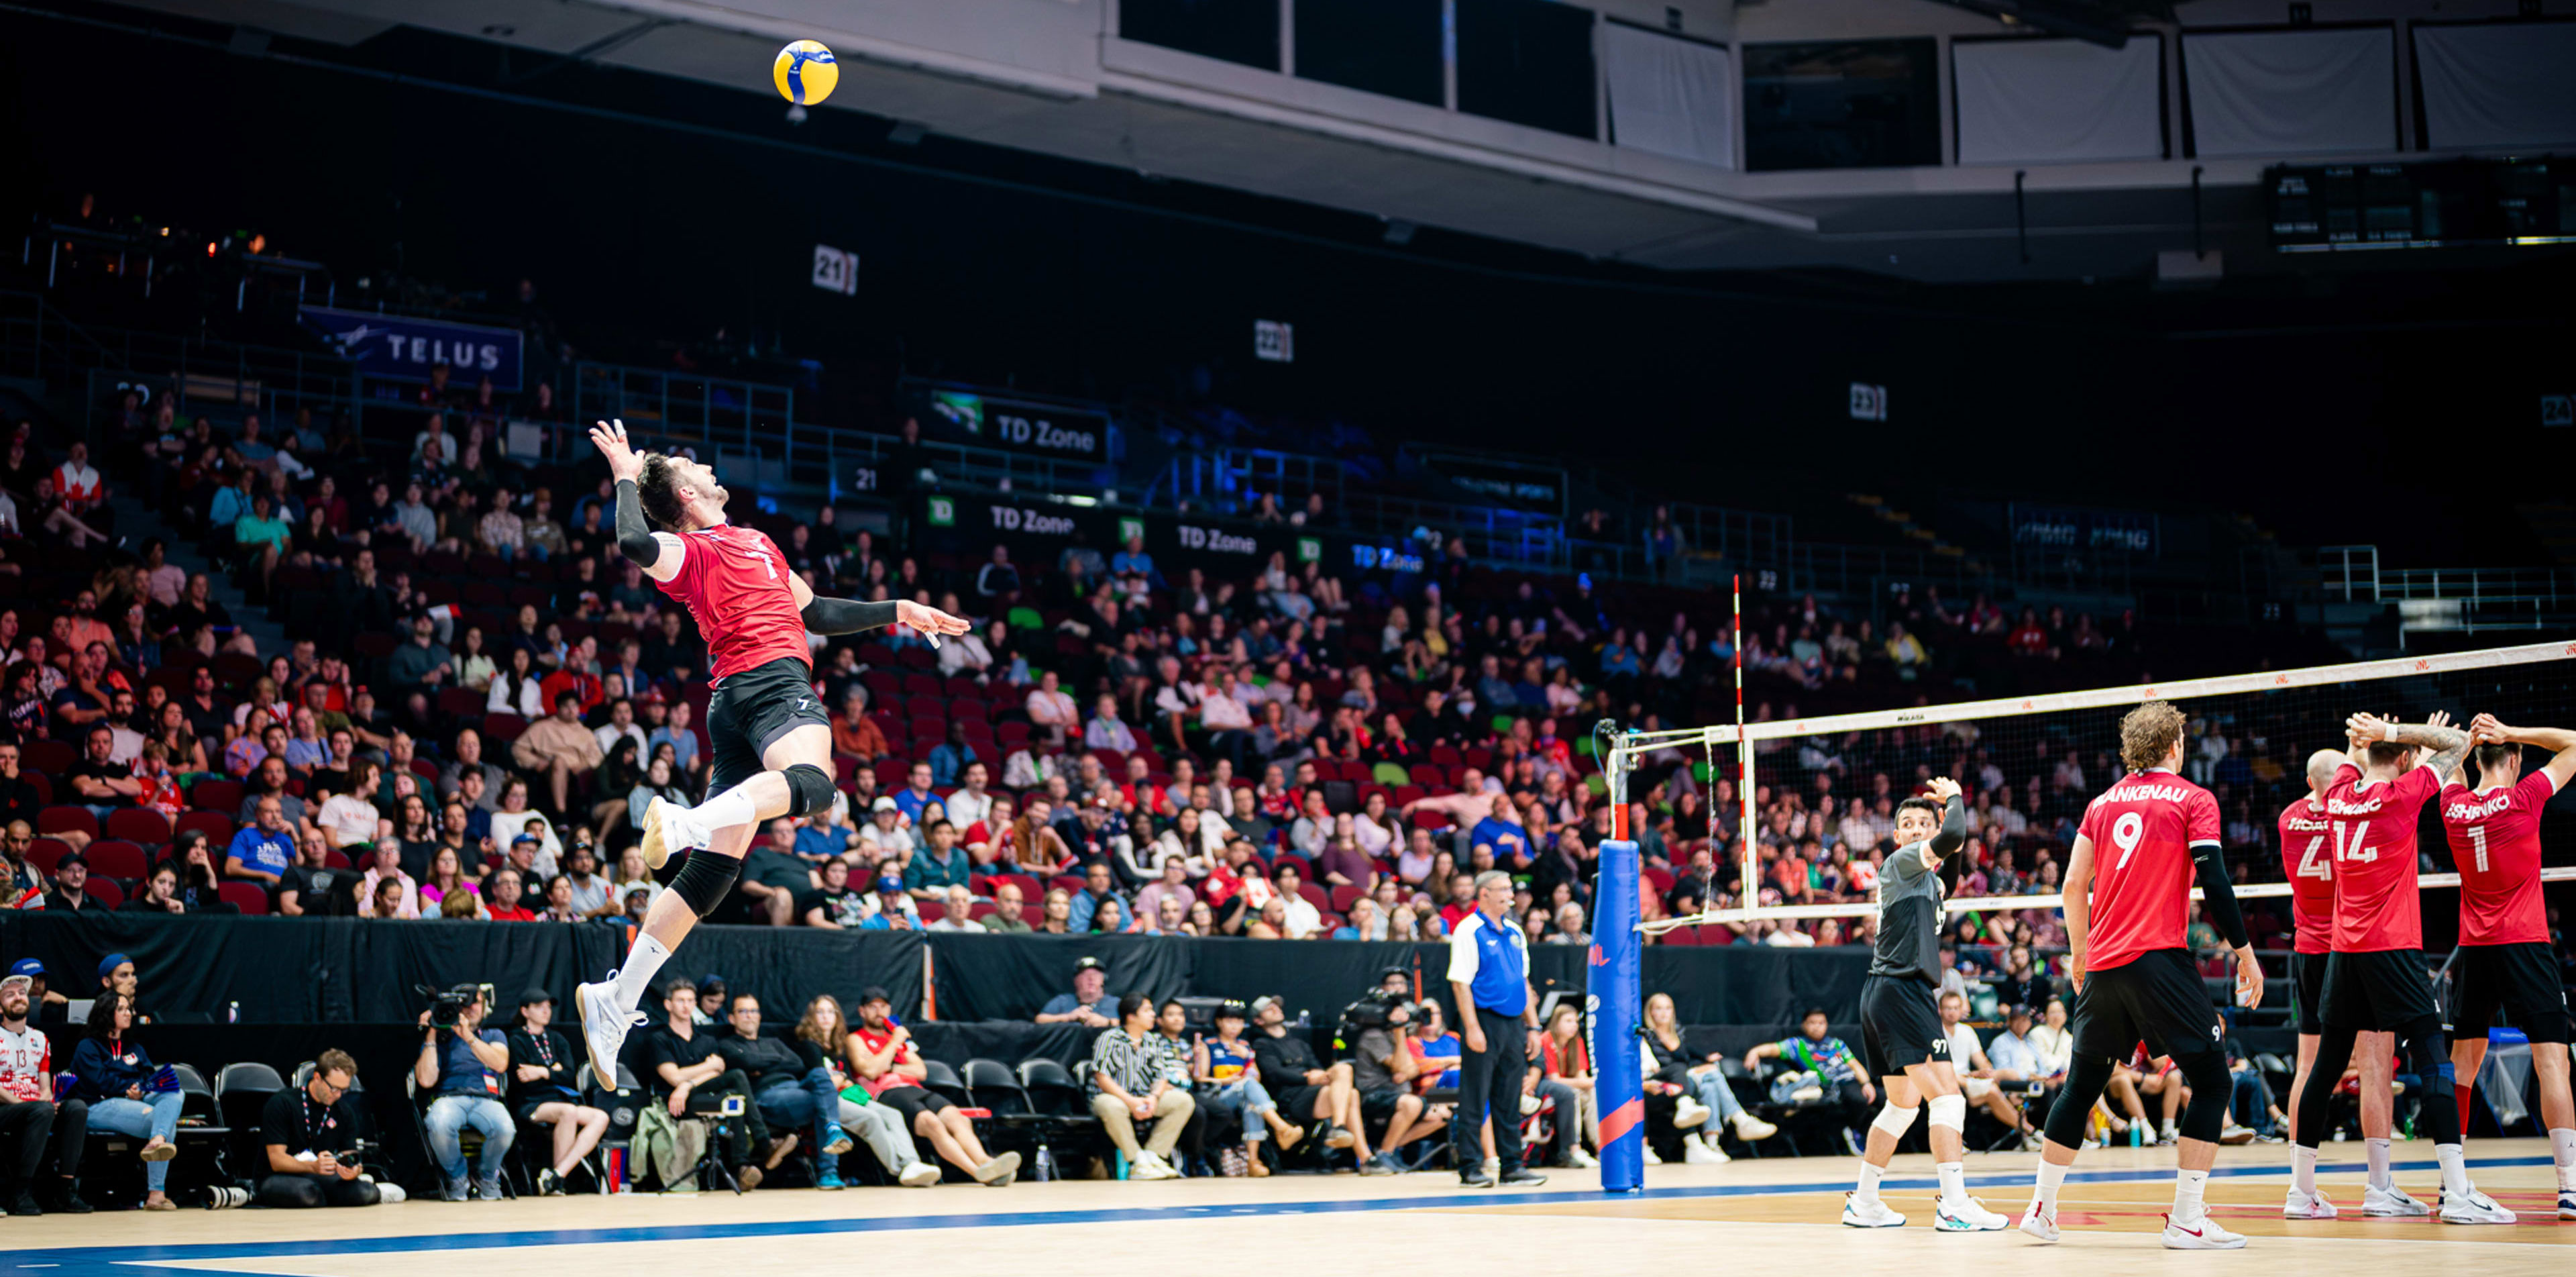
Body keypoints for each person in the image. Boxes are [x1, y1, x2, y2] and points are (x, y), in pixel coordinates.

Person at [576, 419, 970, 1089]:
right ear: (686, 494)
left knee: (709, 878)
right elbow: (635, 540)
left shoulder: (756, 541)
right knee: (816, 786)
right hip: (771, 683)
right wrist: (622, 471)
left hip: (734, 704)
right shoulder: (692, 550)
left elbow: (816, 613)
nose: (704, 466)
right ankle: (685, 822)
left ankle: (615, 998)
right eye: (692, 466)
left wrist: (900, 608)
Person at [2017, 701, 2265, 1249]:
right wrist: (2244, 951)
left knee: (2081, 1086)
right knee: (2214, 1079)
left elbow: (2071, 885)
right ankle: (2187, 1218)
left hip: (2104, 963)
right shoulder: (2193, 798)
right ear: (2176, 745)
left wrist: (2080, 954)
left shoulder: (2101, 803)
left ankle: (2041, 1209)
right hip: (2158, 959)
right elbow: (2215, 881)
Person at [2282, 711, 2513, 1224]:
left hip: (2344, 953)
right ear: (2406, 759)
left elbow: (2349, 759)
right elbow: (2457, 741)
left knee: (2323, 1068)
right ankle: (2457, 1192)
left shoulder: (2339, 792)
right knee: (2434, 1059)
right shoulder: (2404, 795)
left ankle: (2302, 1192)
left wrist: (2370, 740)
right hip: (2393, 949)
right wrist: (2396, 734)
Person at [1841, 777, 2006, 1230]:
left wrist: (1949, 820)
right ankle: (1954, 1205)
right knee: (1949, 1097)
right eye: (1907, 824)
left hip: (1887, 991)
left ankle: (1865, 1202)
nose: (1915, 829)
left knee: (1902, 1105)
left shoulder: (1928, 882)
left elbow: (1952, 854)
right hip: (1900, 988)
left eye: (1923, 824)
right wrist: (1954, 796)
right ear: (1897, 837)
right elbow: (1952, 837)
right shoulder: (1899, 863)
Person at [2445, 715, 2576, 1219]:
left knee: (2461, 1067)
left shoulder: (2453, 804)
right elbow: (2571, 743)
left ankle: (2452, 1184)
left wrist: (2467, 742)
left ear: (2477, 759)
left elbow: (2444, 761)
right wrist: (2512, 729)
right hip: (2524, 943)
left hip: (2475, 949)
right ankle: (2568, 1189)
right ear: (2516, 760)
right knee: (2552, 1064)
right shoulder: (2525, 796)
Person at [2275, 746, 2400, 1219]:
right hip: (2350, 950)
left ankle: (2300, 1185)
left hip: (2307, 950)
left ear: (2310, 782)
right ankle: (2379, 1185)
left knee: (2308, 1063)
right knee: (2374, 1061)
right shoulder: (2349, 815)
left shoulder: (2289, 818)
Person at [844, 988, 1018, 1184]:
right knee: (930, 1122)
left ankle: (987, 1162)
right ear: (862, 1011)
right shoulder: (857, 1039)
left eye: (883, 1006)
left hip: (914, 1089)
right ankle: (976, 1172)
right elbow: (870, 1071)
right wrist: (894, 1045)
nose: (878, 1011)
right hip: (886, 1093)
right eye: (872, 1007)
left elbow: (920, 1071)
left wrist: (888, 1064)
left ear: (889, 1008)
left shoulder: (900, 1039)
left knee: (956, 1117)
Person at [1446, 869, 1544, 1188]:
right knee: (1475, 1096)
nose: (1509, 894)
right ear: (1483, 893)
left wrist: (1533, 1027)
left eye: (1509, 888)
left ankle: (1513, 1165)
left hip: (1514, 1023)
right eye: (1502, 889)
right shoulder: (1469, 929)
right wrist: (1472, 1028)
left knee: (1509, 1096)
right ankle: (1471, 1166)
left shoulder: (1516, 931)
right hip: (1483, 1020)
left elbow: (1524, 981)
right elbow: (1461, 984)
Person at [641, 982, 774, 1189]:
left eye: (690, 1001)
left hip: (697, 1094)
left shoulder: (707, 1039)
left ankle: (742, 1167)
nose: (686, 1006)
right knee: (736, 1078)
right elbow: (674, 1077)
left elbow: (717, 1070)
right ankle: (764, 1144)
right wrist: (703, 1070)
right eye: (680, 1001)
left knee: (734, 1094)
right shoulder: (659, 1039)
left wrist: (689, 1084)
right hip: (676, 1102)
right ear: (668, 1005)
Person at [714, 994, 856, 1186]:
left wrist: (762, 1063)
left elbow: (797, 1064)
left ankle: (833, 1130)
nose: (749, 1016)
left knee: (820, 1075)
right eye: (743, 1011)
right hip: (768, 1096)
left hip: (796, 1087)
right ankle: (828, 1172)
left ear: (760, 1016)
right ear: (732, 1018)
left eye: (754, 1011)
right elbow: (748, 1062)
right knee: (822, 1100)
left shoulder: (773, 1042)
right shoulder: (728, 1044)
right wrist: (776, 1060)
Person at [68, 991, 180, 1209]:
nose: (128, 1013)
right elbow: (97, 1081)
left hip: (136, 1101)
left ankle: (157, 1140)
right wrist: (127, 1088)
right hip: (97, 1106)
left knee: (175, 1093)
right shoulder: (88, 1046)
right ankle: (156, 1194)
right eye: (121, 1009)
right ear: (106, 1013)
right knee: (165, 1120)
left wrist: (139, 1088)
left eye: (129, 1009)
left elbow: (149, 1075)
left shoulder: (134, 1048)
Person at [414, 986, 515, 1201]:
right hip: (449, 1098)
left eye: (476, 1003)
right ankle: (458, 1176)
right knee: (439, 1123)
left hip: (486, 1099)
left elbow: (500, 1064)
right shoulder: (441, 1037)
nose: (470, 1008)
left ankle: (486, 1176)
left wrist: (467, 1034)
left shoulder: (493, 1035)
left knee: (505, 1128)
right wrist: (432, 1031)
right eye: (464, 1004)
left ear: (485, 1007)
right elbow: (425, 1080)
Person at [506, 990, 608, 1196]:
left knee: (600, 1117)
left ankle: (556, 1175)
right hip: (531, 1103)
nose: (546, 1010)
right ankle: (558, 1182)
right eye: (539, 1006)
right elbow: (523, 1078)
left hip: (560, 1099)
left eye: (548, 1006)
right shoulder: (517, 1039)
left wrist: (541, 1071)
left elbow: (569, 1075)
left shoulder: (557, 1039)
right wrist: (554, 1070)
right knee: (568, 1112)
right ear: (525, 1011)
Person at [1089, 993, 1195, 1180]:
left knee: (1183, 1101)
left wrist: (1154, 1098)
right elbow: (1102, 1078)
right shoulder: (1110, 1038)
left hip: (1144, 1098)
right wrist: (1131, 1102)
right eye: (1147, 1010)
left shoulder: (1152, 1041)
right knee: (1112, 1106)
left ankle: (1153, 1156)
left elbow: (1161, 1076)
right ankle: (1136, 1160)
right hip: (1113, 1097)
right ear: (1131, 1017)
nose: (1153, 1014)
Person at [256, 1049, 380, 1208]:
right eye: (334, 1088)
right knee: (307, 1194)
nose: (338, 1095)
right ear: (317, 1078)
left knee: (365, 1193)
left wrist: (353, 1170)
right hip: (280, 1176)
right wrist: (312, 1167)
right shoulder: (282, 1103)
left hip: (319, 1177)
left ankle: (336, 1194)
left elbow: (351, 1156)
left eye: (344, 1090)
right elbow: (277, 1160)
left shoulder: (343, 1111)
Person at [0, 971, 80, 1214]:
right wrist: (32, 1104)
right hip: (5, 1107)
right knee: (42, 1110)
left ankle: (66, 1189)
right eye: (9, 995)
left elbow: (44, 1080)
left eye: (22, 993)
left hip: (35, 1106)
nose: (18, 998)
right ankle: (21, 1192)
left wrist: (46, 1098)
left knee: (76, 1108)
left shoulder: (40, 1039)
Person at [1194, 999, 1302, 1176]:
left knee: (1253, 1103)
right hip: (1219, 1098)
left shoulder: (1245, 1047)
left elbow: (1257, 1077)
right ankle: (1281, 1127)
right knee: (1247, 1084)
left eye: (1238, 1021)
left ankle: (1253, 1162)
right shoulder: (1209, 1044)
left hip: (1243, 1096)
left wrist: (1248, 1059)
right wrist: (1227, 1081)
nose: (1234, 1026)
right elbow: (1200, 1077)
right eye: (1230, 1020)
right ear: (1219, 1022)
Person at [1036, 956, 1118, 1027]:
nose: (1091, 979)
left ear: (1103, 979)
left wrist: (1108, 1022)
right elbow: (1039, 1020)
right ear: (1076, 981)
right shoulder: (1063, 1001)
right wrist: (1068, 1017)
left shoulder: (1116, 1004)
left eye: (1095, 974)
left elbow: (1129, 1024)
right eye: (1085, 974)